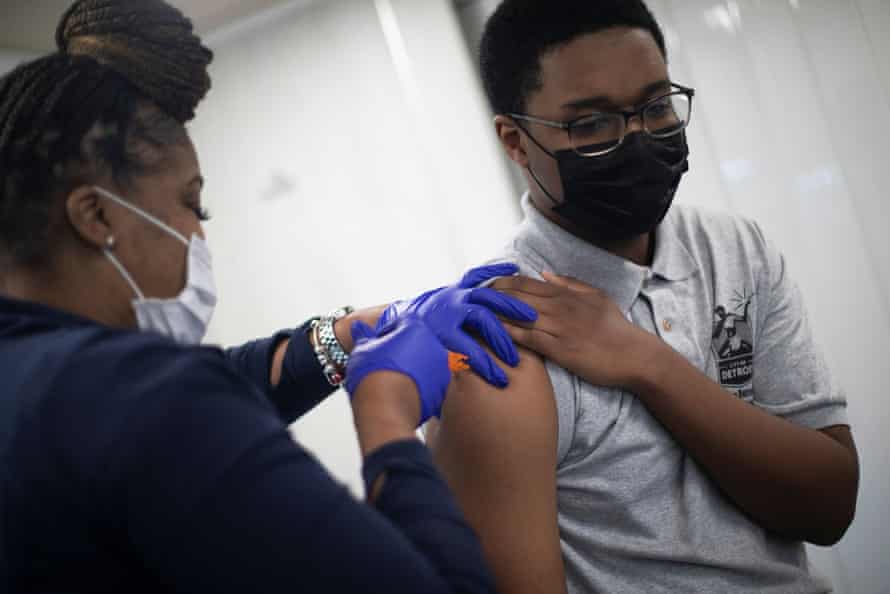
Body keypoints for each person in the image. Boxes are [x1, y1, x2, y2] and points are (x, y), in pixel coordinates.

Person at [0, 1, 540, 592]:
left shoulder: (37, 378)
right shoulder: (148, 400)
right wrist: (386, 417)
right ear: (97, 214)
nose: (198, 236)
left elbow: (205, 394)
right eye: (190, 204)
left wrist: (346, 335)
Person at [424, 1, 860, 593]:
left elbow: (830, 505)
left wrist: (644, 361)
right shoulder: (496, 328)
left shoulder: (734, 249)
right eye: (592, 124)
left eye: (656, 107)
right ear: (516, 141)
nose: (636, 138)